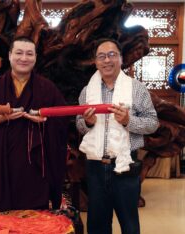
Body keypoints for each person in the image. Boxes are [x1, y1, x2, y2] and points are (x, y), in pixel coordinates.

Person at [0, 37, 68, 211]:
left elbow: (62, 120)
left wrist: (45, 121)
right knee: (1, 215)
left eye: (29, 54)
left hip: (35, 164)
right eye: (19, 53)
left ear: (35, 58)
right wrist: (3, 117)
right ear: (9, 56)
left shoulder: (47, 87)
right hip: (0, 158)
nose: (24, 58)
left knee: (33, 216)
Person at [76, 38, 159, 234]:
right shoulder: (87, 91)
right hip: (95, 166)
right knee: (97, 224)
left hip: (126, 165)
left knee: (129, 224)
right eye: (101, 56)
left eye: (112, 54)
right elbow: (80, 125)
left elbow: (153, 123)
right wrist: (87, 122)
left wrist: (129, 121)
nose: (107, 60)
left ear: (121, 59)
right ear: (95, 62)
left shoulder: (136, 88)